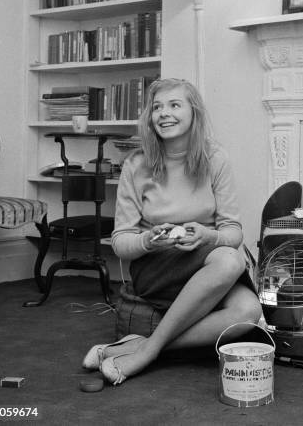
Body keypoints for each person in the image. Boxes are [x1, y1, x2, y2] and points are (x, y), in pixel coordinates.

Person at [82, 78, 262, 385]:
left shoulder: (215, 158)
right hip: (156, 267)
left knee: (248, 309)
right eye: (157, 107)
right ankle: (145, 354)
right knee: (230, 261)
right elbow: (120, 242)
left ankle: (145, 348)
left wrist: (207, 236)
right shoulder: (136, 165)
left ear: (194, 113)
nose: (164, 113)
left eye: (174, 105)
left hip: (207, 264)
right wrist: (147, 240)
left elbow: (232, 231)